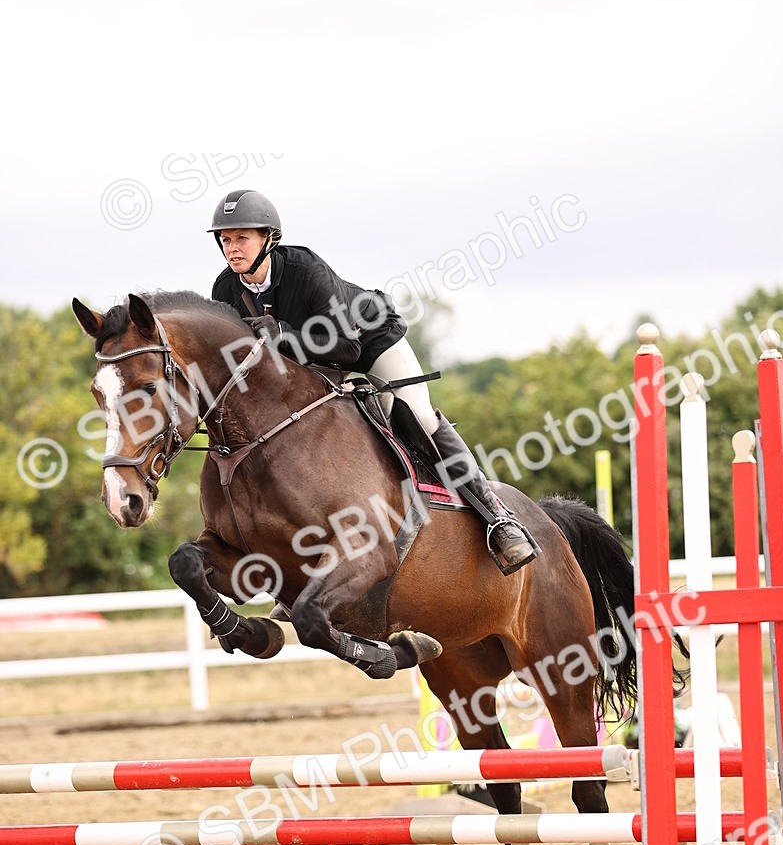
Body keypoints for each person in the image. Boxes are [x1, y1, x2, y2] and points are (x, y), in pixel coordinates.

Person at [209, 189, 539, 581]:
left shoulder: (304, 269)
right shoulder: (225, 290)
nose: (232, 248)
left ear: (268, 238)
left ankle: (497, 518)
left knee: (417, 415)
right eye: (225, 239)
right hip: (313, 361)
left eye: (242, 238)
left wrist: (283, 334)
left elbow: (348, 348)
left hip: (369, 341)